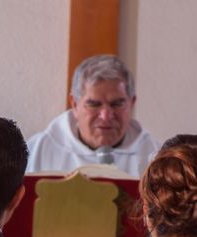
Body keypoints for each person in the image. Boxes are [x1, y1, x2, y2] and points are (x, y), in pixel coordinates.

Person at [27, 54, 161, 176]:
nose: (105, 116)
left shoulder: (155, 156)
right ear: (74, 104)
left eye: (117, 104)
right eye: (94, 104)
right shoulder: (37, 151)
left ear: (132, 103)